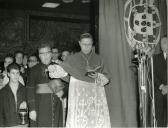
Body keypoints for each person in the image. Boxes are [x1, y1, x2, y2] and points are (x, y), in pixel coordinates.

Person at [48, 33, 111, 128]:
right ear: (79, 43)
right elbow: (64, 73)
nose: (86, 47)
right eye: (84, 44)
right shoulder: (71, 58)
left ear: (92, 44)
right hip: (78, 95)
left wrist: (98, 75)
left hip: (95, 96)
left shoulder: (99, 59)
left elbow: (107, 77)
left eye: (89, 44)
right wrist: (54, 69)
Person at [27, 43, 63, 127]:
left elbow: (66, 85)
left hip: (56, 105)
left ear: (51, 54)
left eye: (47, 53)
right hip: (40, 106)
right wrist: (32, 109)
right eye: (42, 54)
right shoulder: (33, 70)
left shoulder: (59, 67)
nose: (45, 56)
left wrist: (63, 92)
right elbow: (29, 90)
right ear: (39, 55)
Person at [153, 36, 167, 127]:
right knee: (160, 121)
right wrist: (162, 86)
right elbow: (153, 75)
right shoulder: (155, 58)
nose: (165, 44)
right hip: (160, 91)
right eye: (163, 42)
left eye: (167, 42)